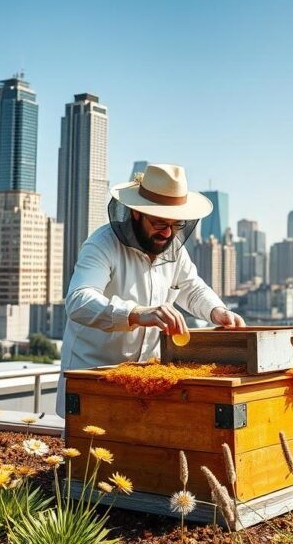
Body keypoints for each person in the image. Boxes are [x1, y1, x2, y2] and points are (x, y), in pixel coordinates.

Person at [56, 164, 245, 416]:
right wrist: (135, 313)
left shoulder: (174, 247)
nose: (167, 233)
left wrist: (217, 311)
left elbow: (191, 287)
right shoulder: (101, 245)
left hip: (146, 386)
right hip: (93, 383)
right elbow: (78, 301)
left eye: (176, 225)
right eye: (159, 223)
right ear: (136, 213)